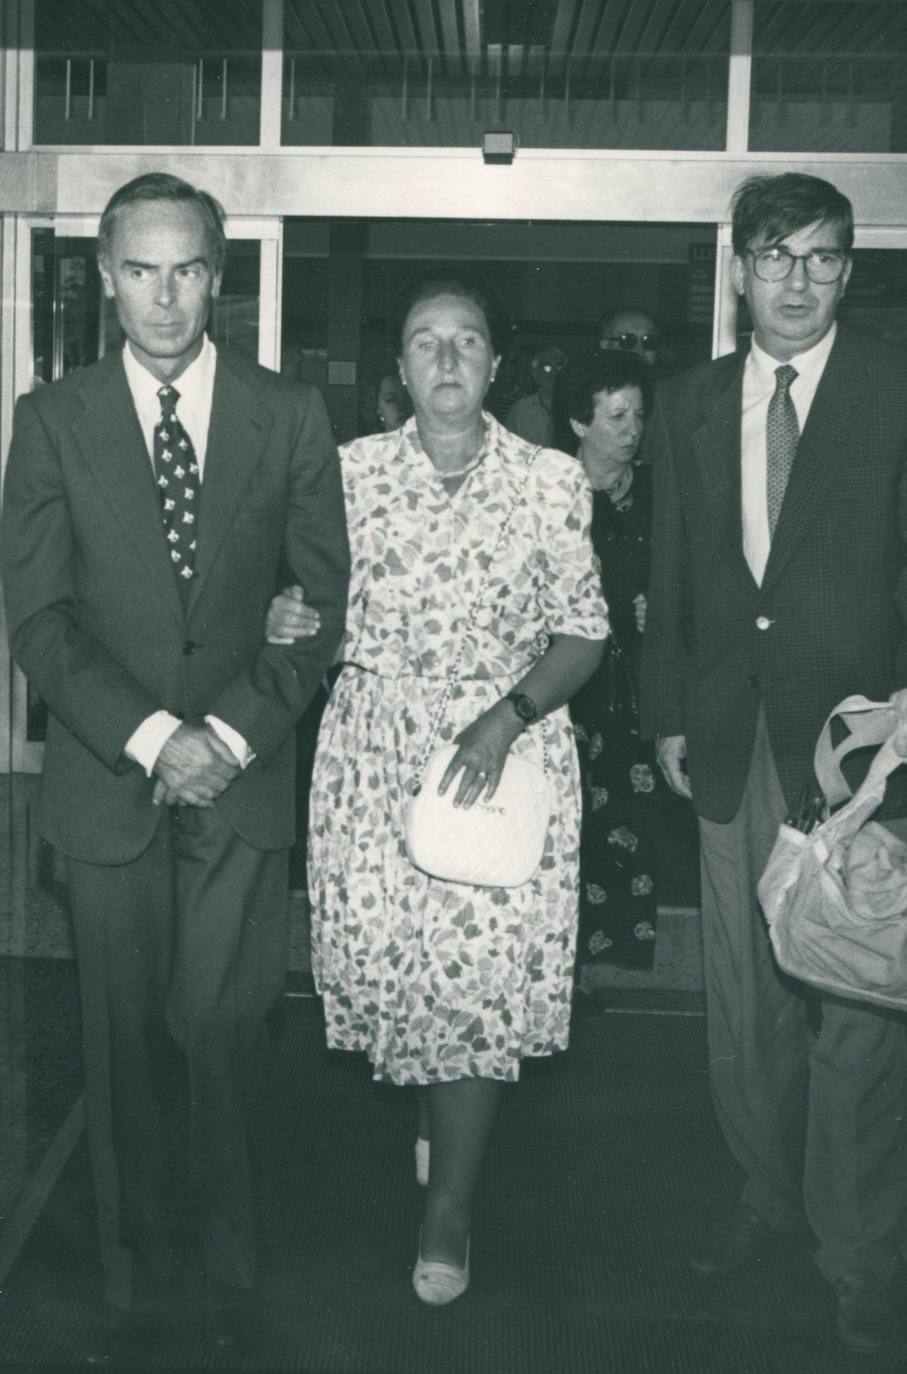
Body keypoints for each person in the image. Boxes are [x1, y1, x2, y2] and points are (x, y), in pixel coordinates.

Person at [1, 173, 349, 1359]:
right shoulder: (50, 421)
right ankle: (130, 1274)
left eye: (187, 268)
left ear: (219, 276)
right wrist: (158, 739)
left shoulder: (290, 412)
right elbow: (38, 620)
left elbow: (322, 599)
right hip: (112, 783)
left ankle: (232, 1272)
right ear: (104, 279)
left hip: (243, 779)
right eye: (139, 270)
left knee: (224, 1029)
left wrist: (232, 735)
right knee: (120, 1044)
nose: (164, 295)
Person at [267, 266, 607, 1306]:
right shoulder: (344, 473)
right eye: (426, 341)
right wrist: (283, 618)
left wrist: (505, 718)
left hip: (499, 757)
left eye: (467, 341)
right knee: (398, 978)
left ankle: (449, 1205)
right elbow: (303, 604)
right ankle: (436, 1126)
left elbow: (584, 630)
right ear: (398, 370)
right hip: (373, 756)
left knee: (475, 993)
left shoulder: (551, 479)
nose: (448, 358)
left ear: (497, 366)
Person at [640, 171, 907, 1356]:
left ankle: (858, 1254)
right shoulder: (690, 400)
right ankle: (767, 1194)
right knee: (746, 1004)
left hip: (863, 756)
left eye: (821, 257)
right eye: (774, 256)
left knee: (855, 1006)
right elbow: (672, 581)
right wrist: (663, 714)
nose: (796, 279)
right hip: (732, 740)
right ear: (736, 268)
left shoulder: (896, 387)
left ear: (848, 270)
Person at [558, 350, 659, 975]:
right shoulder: (550, 494)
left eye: (638, 415)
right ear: (578, 423)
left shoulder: (654, 494)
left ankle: (607, 966)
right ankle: (555, 971)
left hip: (635, 689)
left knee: (627, 830)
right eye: (616, 416)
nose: (631, 429)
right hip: (566, 690)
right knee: (562, 833)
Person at [505, 344, 566, 446]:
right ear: (535, 374)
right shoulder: (519, 411)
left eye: (559, 367)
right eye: (547, 368)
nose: (554, 373)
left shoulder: (574, 409)